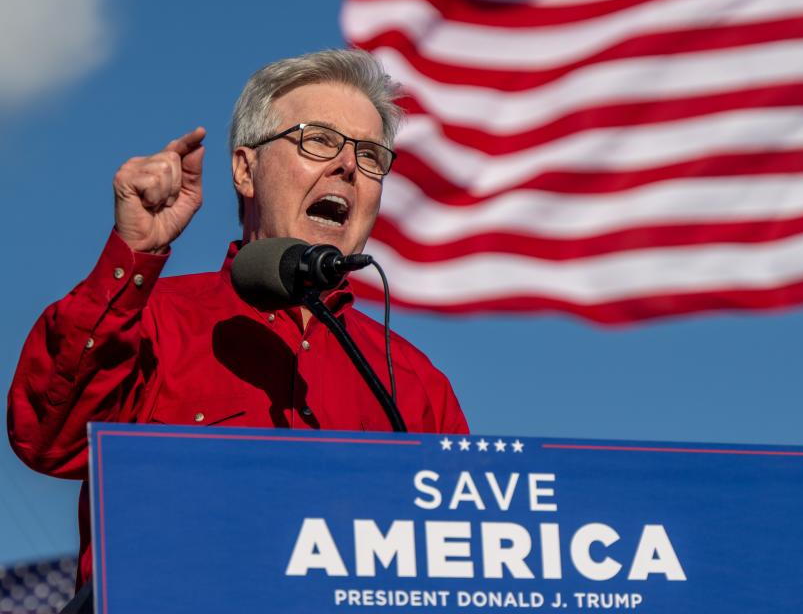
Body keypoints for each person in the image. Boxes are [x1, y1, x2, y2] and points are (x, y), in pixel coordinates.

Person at [6, 49, 469, 587]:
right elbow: (47, 438)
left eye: (370, 155)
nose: (347, 165)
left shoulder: (413, 384)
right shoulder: (152, 320)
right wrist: (133, 254)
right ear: (245, 171)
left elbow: (458, 563)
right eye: (319, 139)